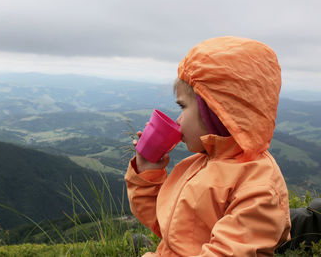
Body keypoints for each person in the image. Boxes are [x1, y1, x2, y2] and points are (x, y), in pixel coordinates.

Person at [125, 36, 291, 256]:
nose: (178, 120)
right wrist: (147, 174)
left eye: (183, 107)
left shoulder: (258, 188)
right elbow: (166, 224)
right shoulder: (199, 164)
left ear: (214, 112)